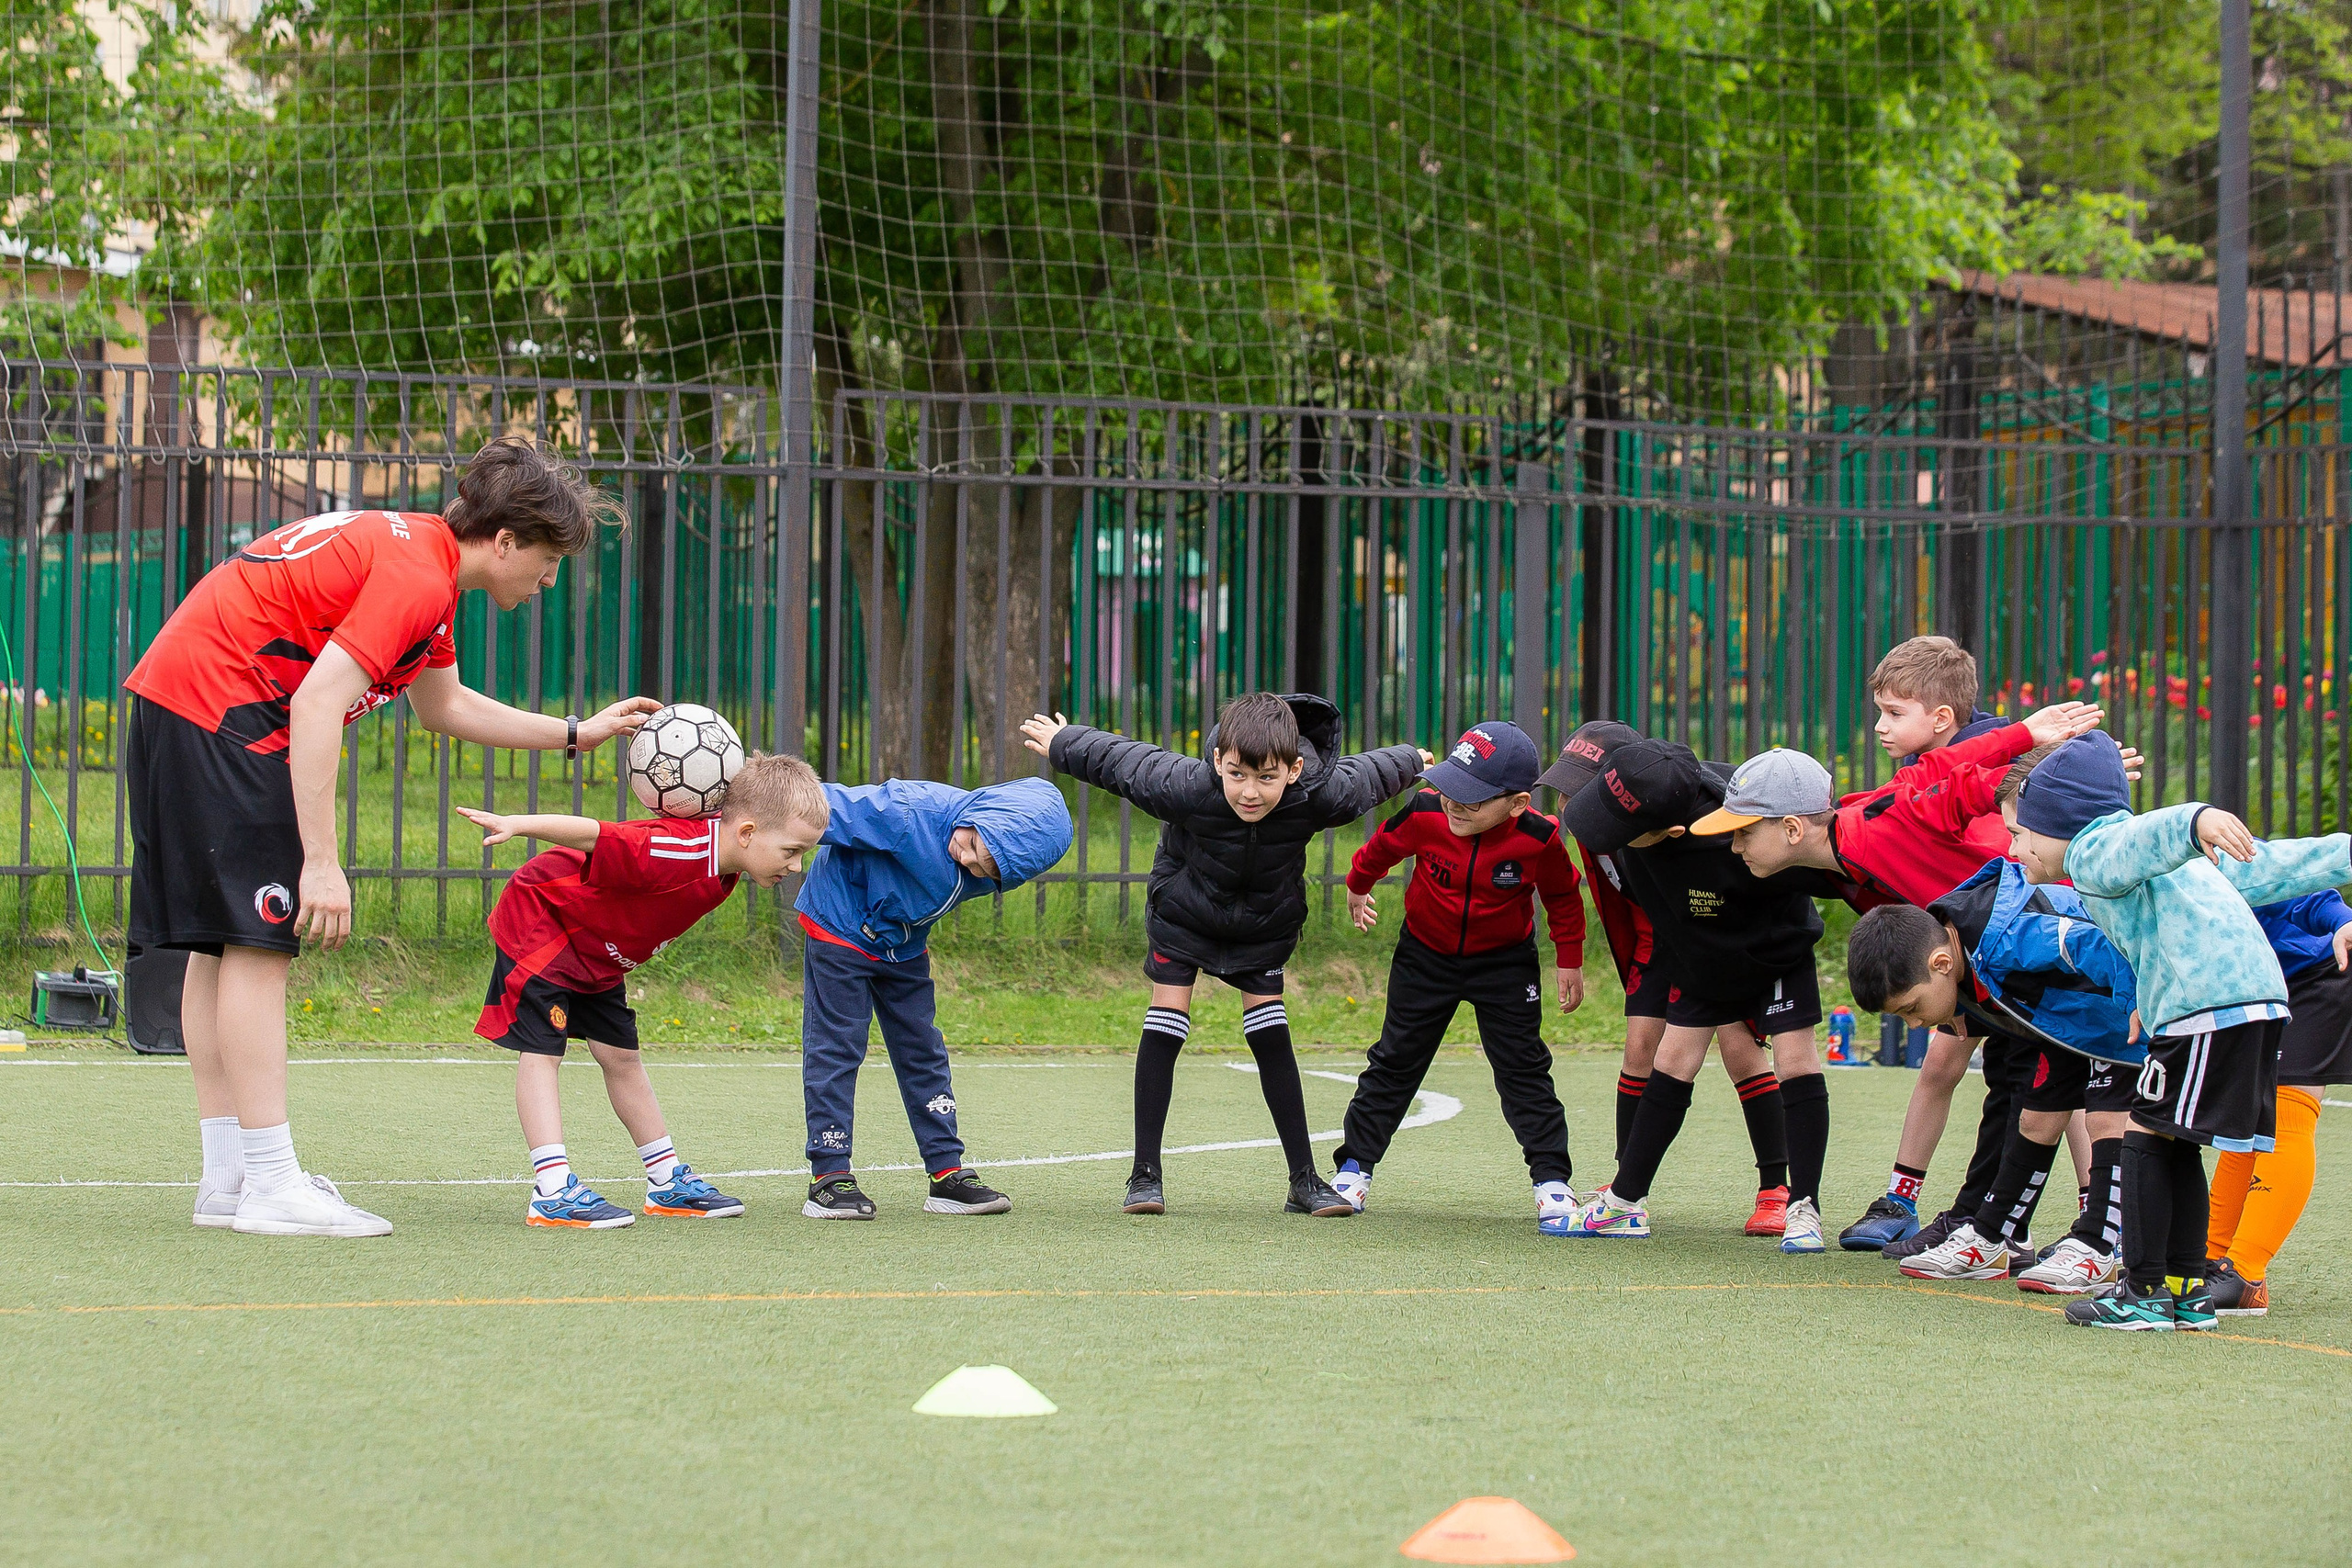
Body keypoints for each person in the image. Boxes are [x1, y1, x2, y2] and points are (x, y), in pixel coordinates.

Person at [133, 439, 659, 1239]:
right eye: (547, 560)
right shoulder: (417, 576)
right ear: (506, 540)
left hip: (181, 702)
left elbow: (442, 705)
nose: (549, 580)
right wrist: (321, 862)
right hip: (228, 714)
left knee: (219, 946)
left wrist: (575, 733)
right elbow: (315, 706)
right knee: (256, 945)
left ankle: (230, 1178)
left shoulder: (421, 562)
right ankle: (272, 1180)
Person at [1709, 699, 2107, 1264]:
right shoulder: (1838, 855)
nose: (1735, 845)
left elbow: (1951, 780)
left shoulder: (1879, 822)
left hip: (2021, 941)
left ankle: (2014, 1227)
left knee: (2055, 1083)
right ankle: (1994, 1225)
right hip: (1976, 964)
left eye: (1745, 831)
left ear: (1794, 828)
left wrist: (2033, 749)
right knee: (2022, 1082)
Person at [1022, 694, 1426, 1217]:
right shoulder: (1187, 786)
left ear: (1294, 770)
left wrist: (1414, 762)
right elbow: (1123, 761)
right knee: (1167, 1018)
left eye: (1265, 778)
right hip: (1185, 913)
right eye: (1236, 774)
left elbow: (1368, 775)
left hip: (1264, 921)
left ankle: (1303, 1180)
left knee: (1270, 1031)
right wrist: (1064, 742)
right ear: (1218, 762)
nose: (1249, 792)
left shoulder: (1318, 794)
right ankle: (1144, 1176)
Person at [2006, 732, 2351, 1331]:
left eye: (2019, 831)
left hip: (2211, 1001)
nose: (2014, 848)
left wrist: (2195, 819)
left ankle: (2141, 1291)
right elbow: (2262, 871)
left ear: (2060, 822)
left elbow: (2135, 835)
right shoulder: (2156, 870)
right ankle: (2187, 1290)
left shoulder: (2094, 850)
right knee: (2173, 1137)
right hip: (2256, 1002)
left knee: (2144, 1134)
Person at [454, 755, 830, 1227]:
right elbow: (594, 834)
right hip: (545, 918)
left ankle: (667, 1180)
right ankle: (551, 1190)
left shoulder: (730, 860)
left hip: (597, 949)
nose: (796, 866)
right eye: (792, 851)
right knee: (543, 1051)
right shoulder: (674, 849)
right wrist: (516, 823)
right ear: (748, 833)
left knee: (621, 1057)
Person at [1842, 748, 2142, 1292]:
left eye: (1911, 1008)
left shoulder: (2009, 939)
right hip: (2072, 1025)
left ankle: (2101, 1243)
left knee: (2105, 1120)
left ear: (1940, 963)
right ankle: (1990, 1236)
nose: (1914, 1024)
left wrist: (2138, 1005)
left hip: (2122, 1019)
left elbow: (2100, 949)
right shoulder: (1958, 937)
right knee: (2036, 1116)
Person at [1550, 739, 1835, 1251]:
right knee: (1672, 1057)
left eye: (1621, 831)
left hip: (1775, 952)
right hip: (1698, 954)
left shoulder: (1736, 832)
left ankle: (1802, 1206)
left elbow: (1825, 865)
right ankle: (1625, 1202)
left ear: (1672, 832)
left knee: (1794, 1060)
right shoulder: (1648, 790)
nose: (1605, 837)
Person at [1330, 720, 1587, 1227]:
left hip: (1506, 964)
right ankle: (1354, 1169)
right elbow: (1381, 847)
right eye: (1451, 787)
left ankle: (1552, 1182)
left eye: (1472, 797)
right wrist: (1358, 885)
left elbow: (1562, 897)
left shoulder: (1540, 837)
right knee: (1395, 1060)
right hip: (1425, 955)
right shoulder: (1426, 812)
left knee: (1523, 1069)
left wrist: (1570, 959)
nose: (1454, 803)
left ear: (1517, 803)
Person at [791, 773, 1072, 1220]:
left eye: (988, 871)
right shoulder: (907, 812)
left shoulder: (992, 858)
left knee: (923, 1050)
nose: (971, 864)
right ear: (982, 816)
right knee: (838, 1045)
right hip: (839, 923)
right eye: (975, 850)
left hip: (902, 944)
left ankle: (946, 1174)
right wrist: (731, 791)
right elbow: (810, 805)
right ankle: (828, 1175)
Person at [1835, 635, 2026, 1252]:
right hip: (1960, 949)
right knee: (1943, 1061)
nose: (1879, 726)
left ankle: (2097, 1222)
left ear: (1942, 718)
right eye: (1881, 710)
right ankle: (1901, 1197)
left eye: (1895, 712)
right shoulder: (1921, 772)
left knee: (2063, 1079)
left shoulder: (1975, 768)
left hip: (2006, 948)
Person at [2203, 891, 2352, 1314]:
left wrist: (2342, 920)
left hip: (2310, 975)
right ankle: (2213, 1260)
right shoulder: (2124, 871)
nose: (2020, 844)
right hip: (2251, 990)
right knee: (2243, 1121)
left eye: (2023, 831)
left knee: (2285, 1114)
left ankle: (2246, 1274)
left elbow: (2306, 889)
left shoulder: (2217, 854)